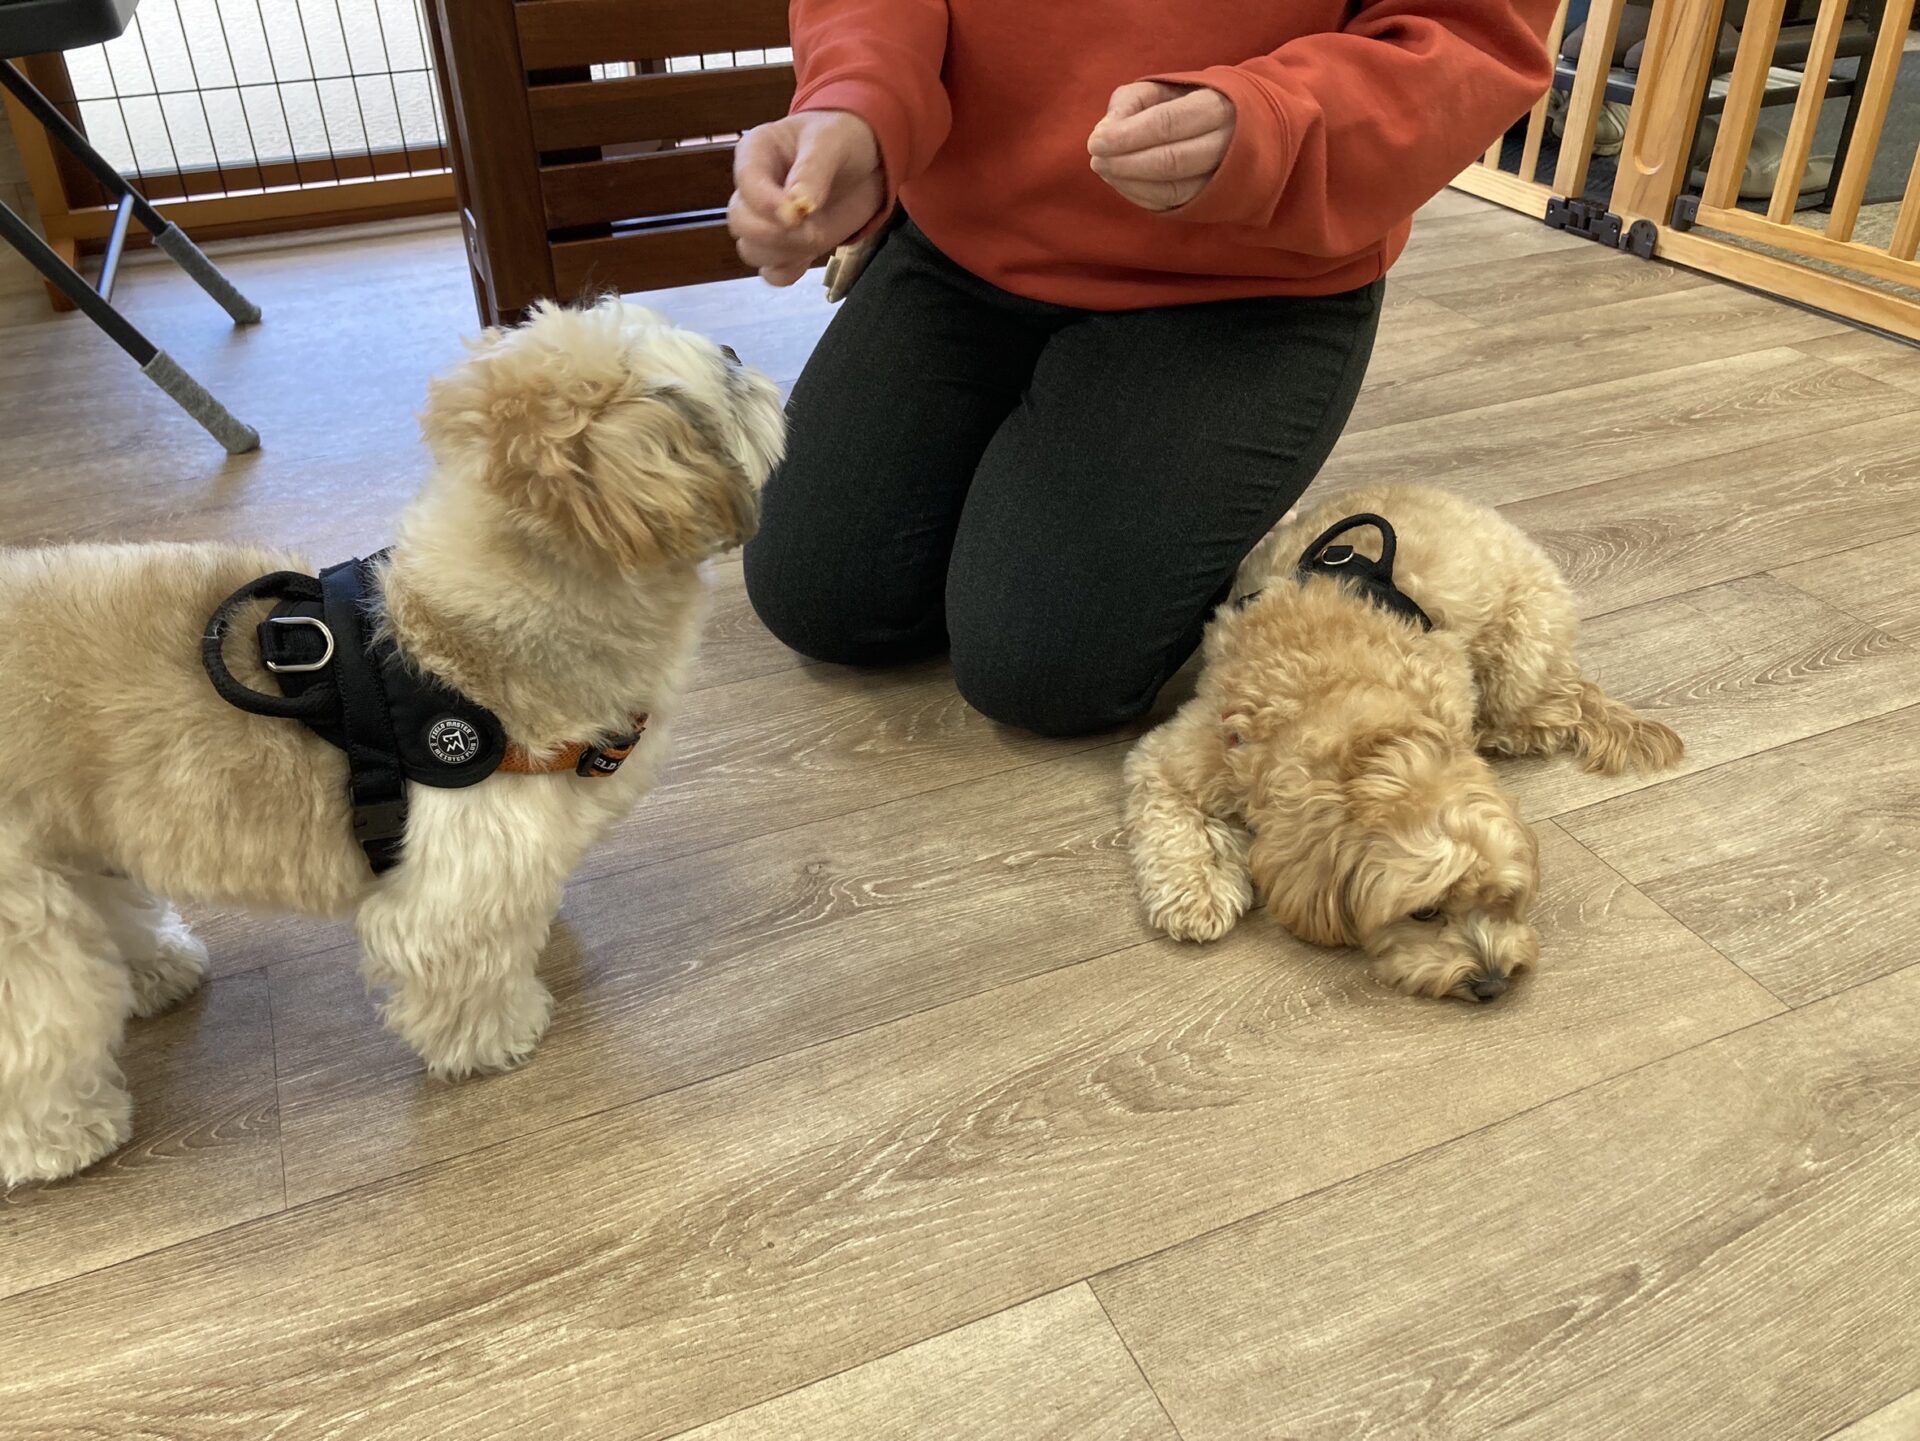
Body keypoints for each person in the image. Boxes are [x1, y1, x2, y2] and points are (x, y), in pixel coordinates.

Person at [730, 1, 1557, 737]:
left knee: (1043, 667)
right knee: (816, 594)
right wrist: (858, 98)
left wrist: (1277, 123)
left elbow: (1471, 33)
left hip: (1244, 277)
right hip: (966, 234)